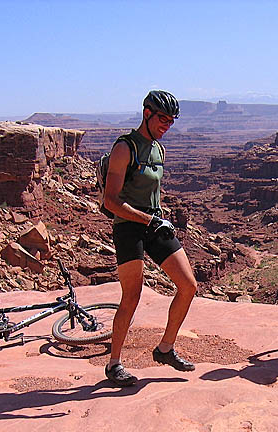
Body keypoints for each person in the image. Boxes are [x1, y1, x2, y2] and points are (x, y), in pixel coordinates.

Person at [102, 90, 197, 386]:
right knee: (132, 295)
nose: (166, 125)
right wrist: (148, 219)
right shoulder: (124, 147)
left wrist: (157, 219)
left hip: (154, 223)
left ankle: (165, 349)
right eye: (162, 118)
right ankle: (114, 364)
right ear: (146, 113)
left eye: (171, 120)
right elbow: (110, 201)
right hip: (129, 225)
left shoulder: (159, 149)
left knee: (188, 286)